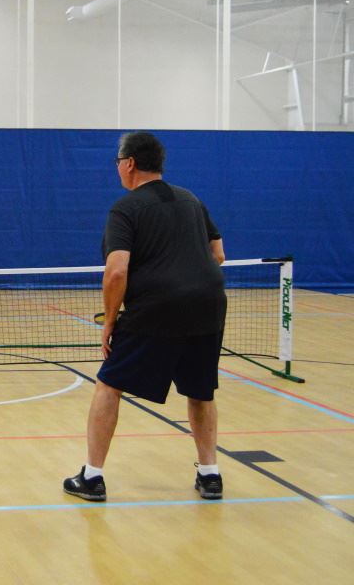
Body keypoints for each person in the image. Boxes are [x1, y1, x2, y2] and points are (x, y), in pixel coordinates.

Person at [63, 131, 227, 502]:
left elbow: (116, 271)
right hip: (209, 302)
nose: (117, 168)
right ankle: (210, 474)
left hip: (157, 306)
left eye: (118, 162)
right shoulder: (191, 200)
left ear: (130, 163)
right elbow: (218, 253)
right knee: (200, 391)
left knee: (109, 384)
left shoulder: (126, 208)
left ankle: (91, 477)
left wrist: (109, 322)